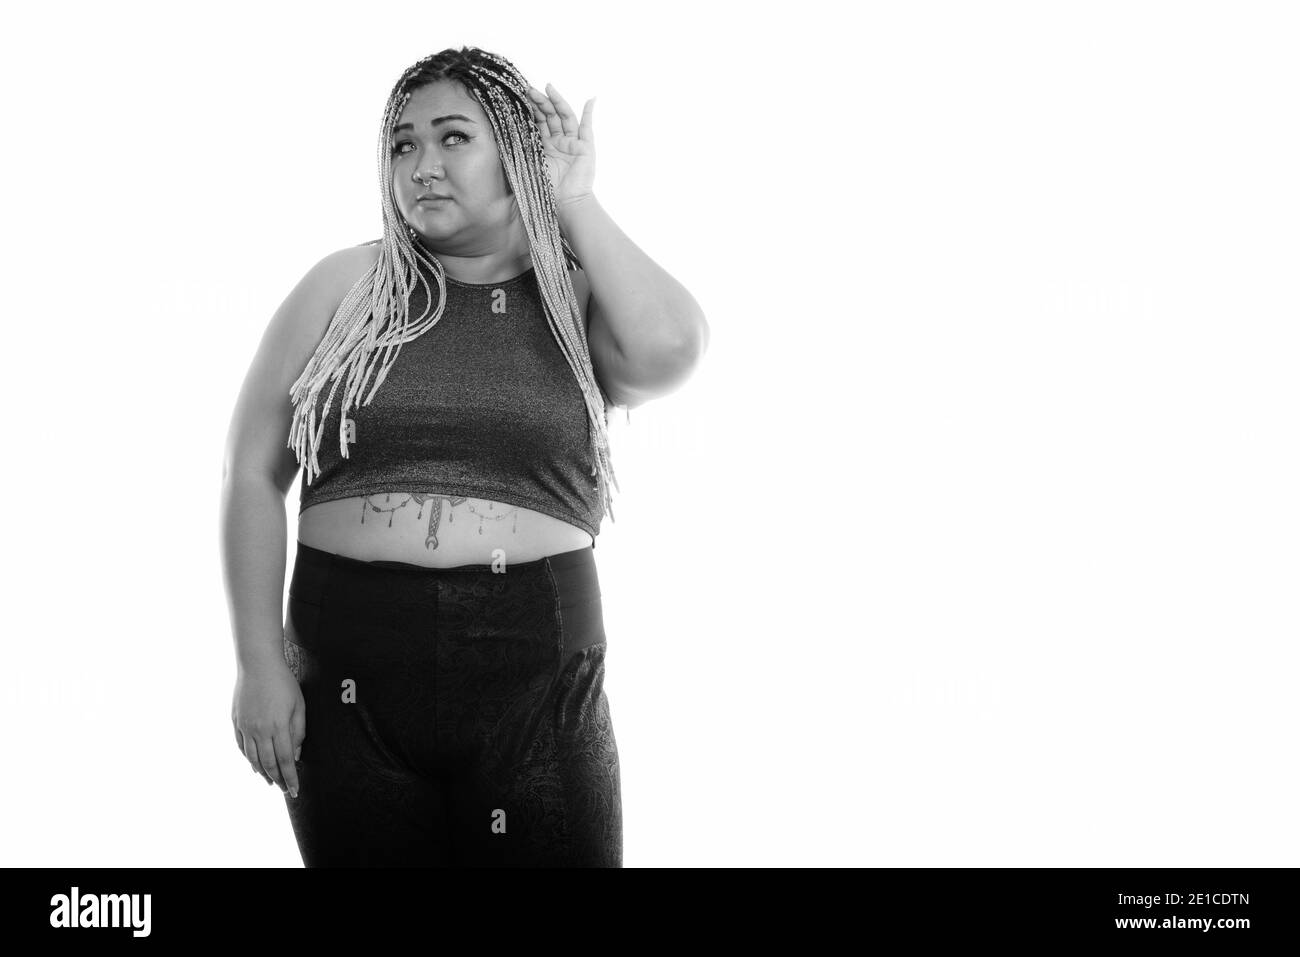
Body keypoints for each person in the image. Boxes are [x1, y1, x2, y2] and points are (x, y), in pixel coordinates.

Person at [220, 46, 709, 867]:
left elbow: (671, 346)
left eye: (454, 138)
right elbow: (250, 474)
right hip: (347, 664)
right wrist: (257, 663)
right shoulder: (346, 287)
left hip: (532, 666)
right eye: (403, 145)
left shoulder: (575, 294)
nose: (423, 166)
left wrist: (576, 204)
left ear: (516, 155)